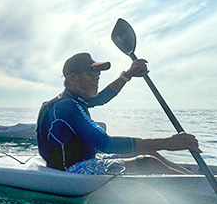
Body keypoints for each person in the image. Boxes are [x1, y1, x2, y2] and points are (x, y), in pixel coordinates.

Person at [36, 52, 199, 175]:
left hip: (85, 162)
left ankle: (194, 180)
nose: (97, 76)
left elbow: (101, 98)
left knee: (148, 151)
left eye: (99, 72)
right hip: (71, 173)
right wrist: (166, 143)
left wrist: (127, 75)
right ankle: (201, 188)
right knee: (149, 162)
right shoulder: (66, 107)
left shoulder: (70, 101)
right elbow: (106, 145)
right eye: (91, 72)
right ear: (72, 78)